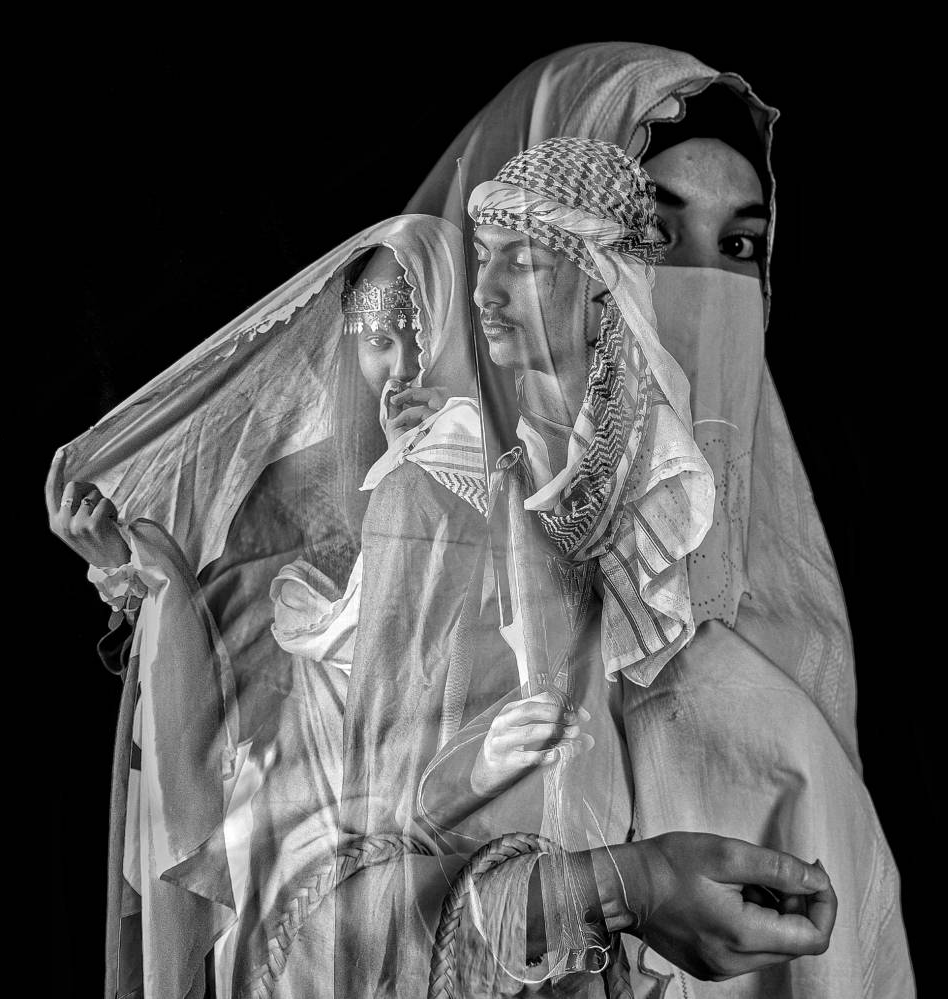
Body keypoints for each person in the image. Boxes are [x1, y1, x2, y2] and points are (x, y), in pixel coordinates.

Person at [407, 44, 914, 997]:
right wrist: (618, 888)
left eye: (740, 249)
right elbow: (294, 925)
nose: (701, 295)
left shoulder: (781, 685)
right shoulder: (406, 558)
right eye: (653, 236)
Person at [328, 137, 838, 997]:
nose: (485, 292)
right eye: (484, 258)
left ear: (604, 293)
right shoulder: (433, 495)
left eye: (522, 262)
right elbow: (361, 860)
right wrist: (482, 768)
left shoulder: (654, 503)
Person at [48, 214, 476, 999]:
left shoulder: (504, 472)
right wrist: (131, 574)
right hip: (307, 832)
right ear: (347, 346)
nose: (403, 370)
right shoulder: (294, 486)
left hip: (455, 802)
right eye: (379, 341)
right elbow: (217, 664)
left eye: (425, 337)